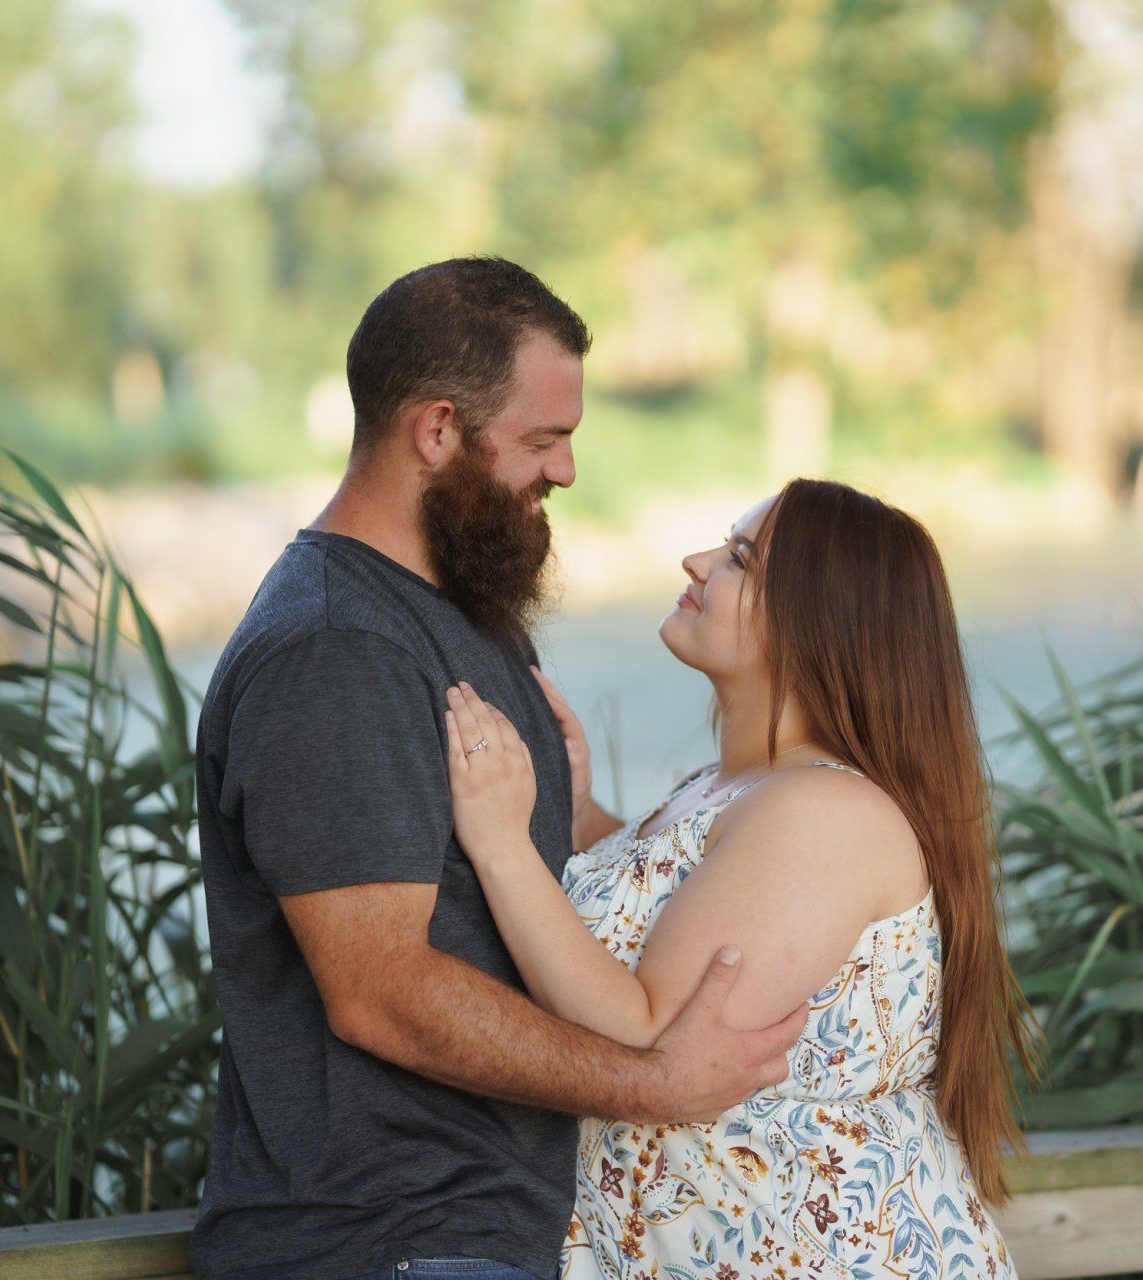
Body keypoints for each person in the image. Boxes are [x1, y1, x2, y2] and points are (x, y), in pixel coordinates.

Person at [190, 257, 808, 1280]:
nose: (565, 470)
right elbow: (380, 991)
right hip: (380, 1242)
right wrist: (656, 1082)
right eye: (542, 440)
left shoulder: (461, 611)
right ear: (436, 430)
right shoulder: (337, 651)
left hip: (480, 1238)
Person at [440, 478, 1046, 1278]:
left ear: (815, 622)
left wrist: (501, 845)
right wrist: (586, 816)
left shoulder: (822, 814)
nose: (695, 563)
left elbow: (647, 1030)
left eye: (738, 559)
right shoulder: (738, 789)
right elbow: (690, 913)